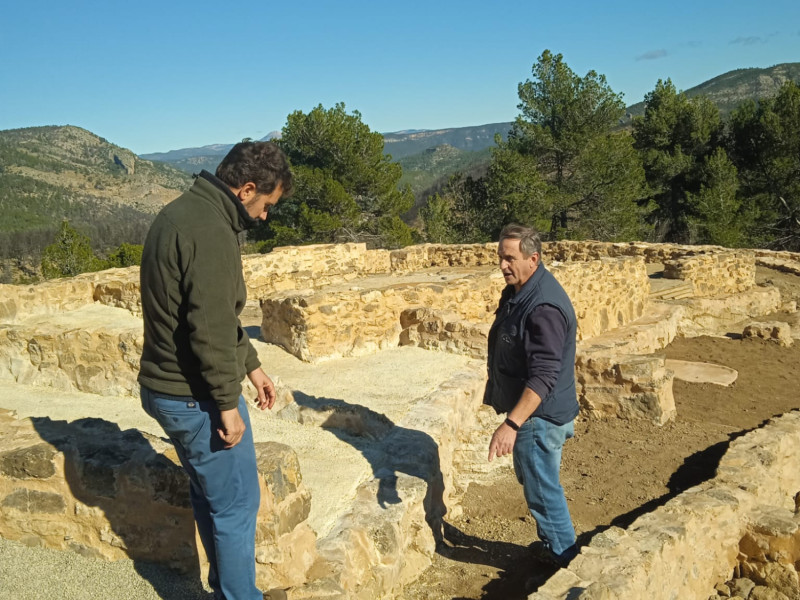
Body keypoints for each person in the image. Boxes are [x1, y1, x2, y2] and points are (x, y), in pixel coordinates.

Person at [138, 141, 293, 600]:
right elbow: (207, 330)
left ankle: (228, 588)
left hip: (172, 389)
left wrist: (252, 366)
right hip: (193, 395)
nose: (265, 216)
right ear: (246, 190)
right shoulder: (210, 231)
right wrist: (227, 404)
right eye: (267, 205)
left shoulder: (186, 213)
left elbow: (215, 316)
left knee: (213, 497)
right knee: (238, 504)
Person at [483, 223, 580, 568]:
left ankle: (565, 561)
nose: (503, 265)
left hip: (540, 417)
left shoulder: (543, 307)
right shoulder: (520, 290)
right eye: (500, 257)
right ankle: (556, 544)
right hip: (538, 414)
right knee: (534, 477)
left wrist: (511, 424)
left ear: (533, 258)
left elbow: (544, 375)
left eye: (510, 258)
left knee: (541, 489)